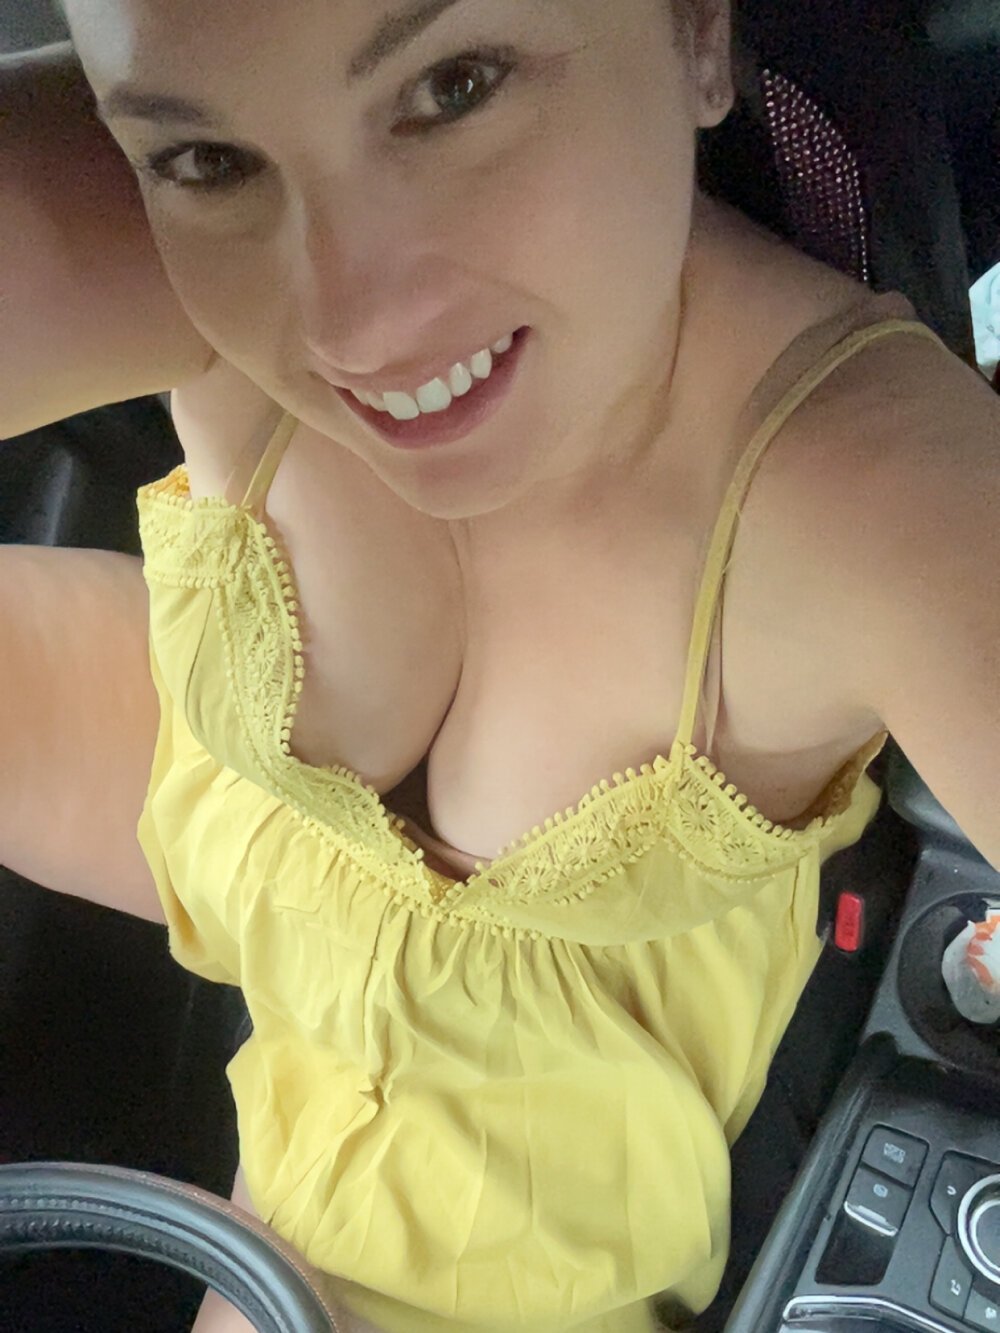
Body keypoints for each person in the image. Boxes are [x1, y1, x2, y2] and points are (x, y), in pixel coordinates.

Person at [2, 1, 998, 1330]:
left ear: (698, 30)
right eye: (209, 160)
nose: (350, 320)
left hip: (496, 1193)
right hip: (240, 825)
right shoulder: (187, 164)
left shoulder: (883, 496)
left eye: (456, 86)